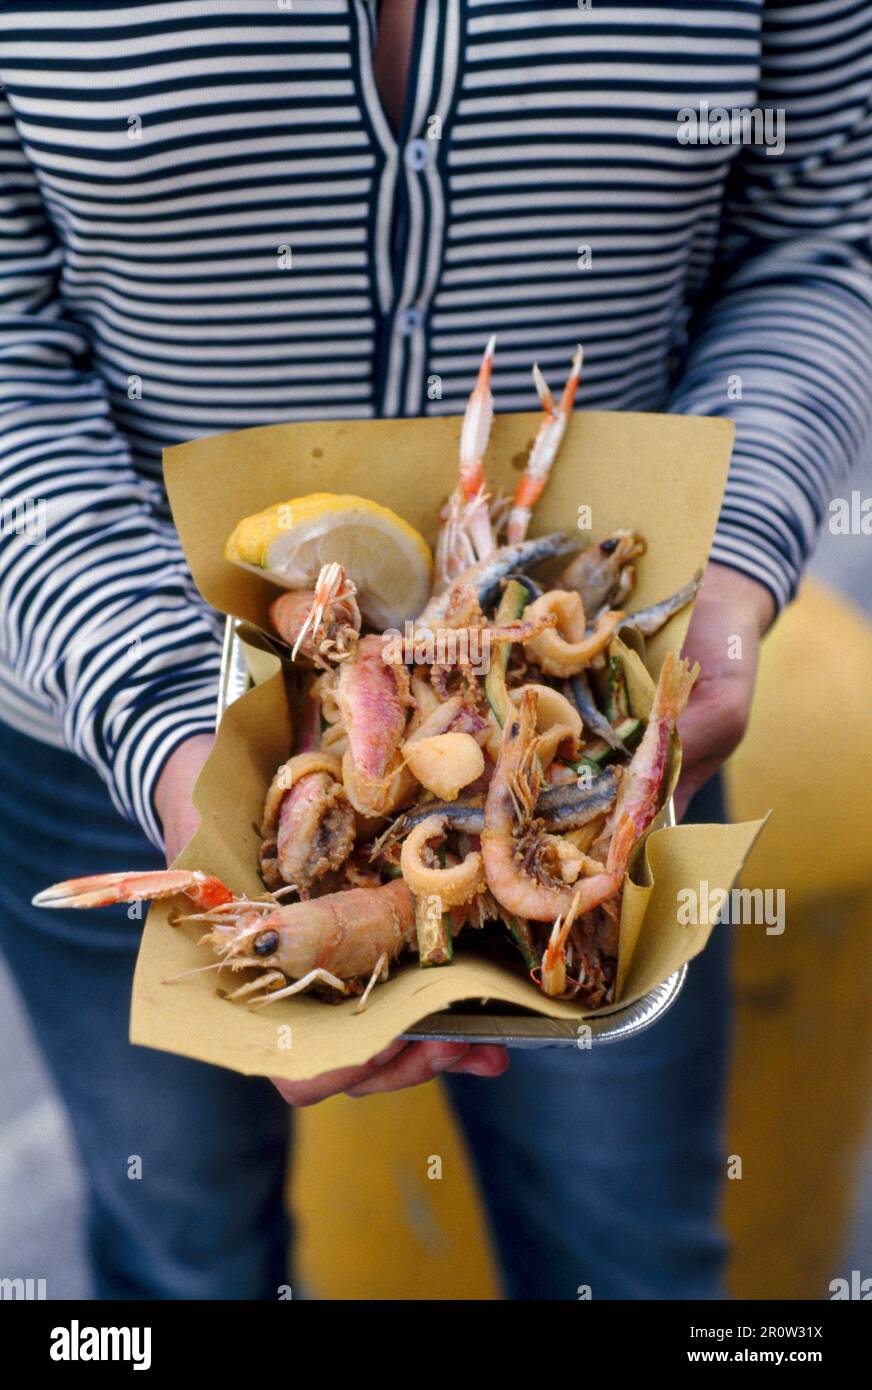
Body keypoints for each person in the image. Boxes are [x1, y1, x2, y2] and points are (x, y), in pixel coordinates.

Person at [0, 2, 868, 1300]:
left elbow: (819, 231)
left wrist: (729, 577)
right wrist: (187, 743)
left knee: (637, 1259)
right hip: (85, 730)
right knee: (175, 1251)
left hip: (609, 740)